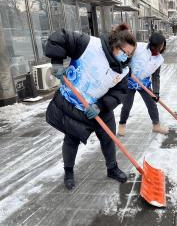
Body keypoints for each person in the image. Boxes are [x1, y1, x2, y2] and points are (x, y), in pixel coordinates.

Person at [45, 24, 136, 190]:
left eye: (129, 55)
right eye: (124, 53)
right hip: (75, 105)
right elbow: (61, 37)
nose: (126, 57)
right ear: (115, 46)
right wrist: (57, 62)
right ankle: (68, 171)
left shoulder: (123, 70)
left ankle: (112, 168)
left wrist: (100, 105)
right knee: (71, 140)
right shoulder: (88, 44)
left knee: (109, 138)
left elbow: (120, 92)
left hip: (99, 108)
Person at [118, 32, 168, 136]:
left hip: (144, 82)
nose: (161, 48)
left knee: (151, 104)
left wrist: (156, 92)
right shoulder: (138, 47)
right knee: (127, 105)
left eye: (162, 45)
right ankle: (122, 125)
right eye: (159, 46)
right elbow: (126, 57)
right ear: (152, 45)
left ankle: (156, 126)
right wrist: (127, 68)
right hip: (129, 79)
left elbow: (156, 76)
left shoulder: (159, 59)